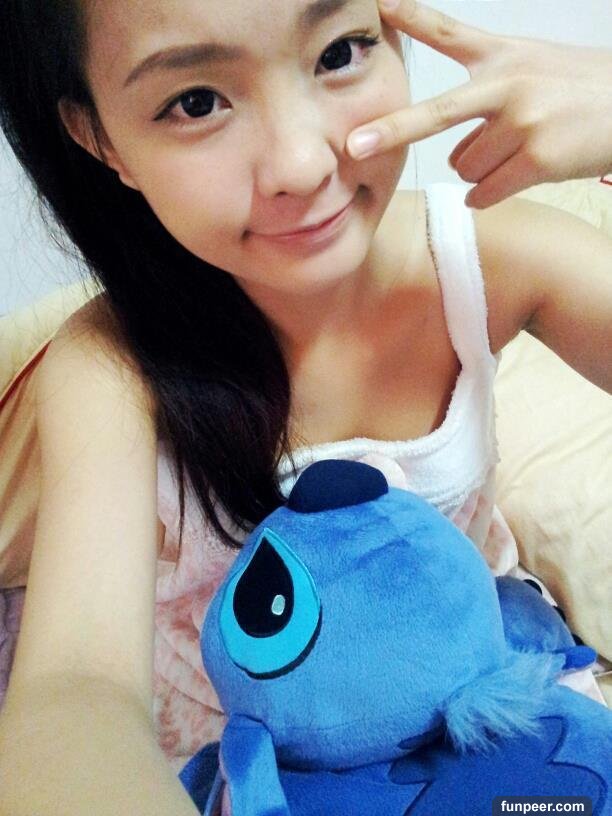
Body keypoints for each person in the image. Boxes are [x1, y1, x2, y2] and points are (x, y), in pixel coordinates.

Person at [0, 0, 610, 813]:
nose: (301, 163)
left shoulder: (487, 257)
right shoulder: (109, 369)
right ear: (101, 140)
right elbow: (77, 686)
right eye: (196, 102)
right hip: (247, 761)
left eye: (340, 52)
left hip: (458, 708)